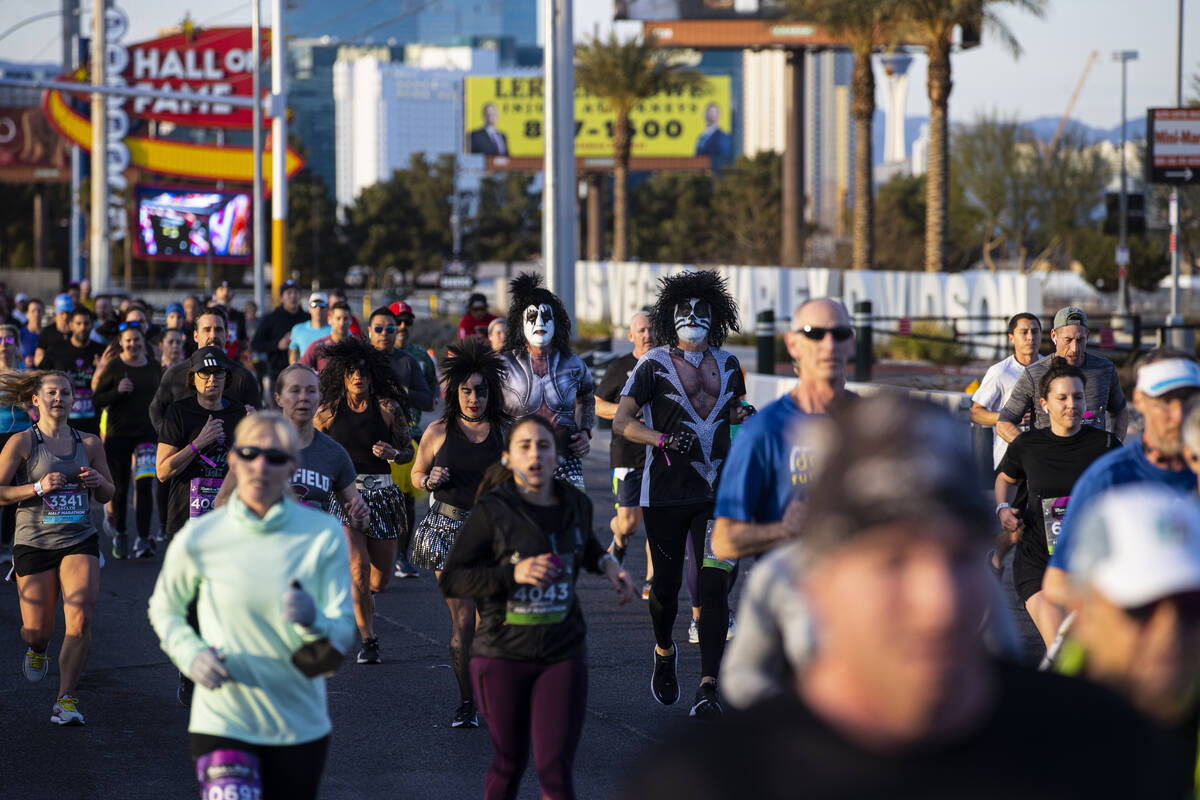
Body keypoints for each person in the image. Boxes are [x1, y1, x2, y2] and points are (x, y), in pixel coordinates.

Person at [620, 394, 1176, 800]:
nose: (940, 603)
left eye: (960, 556)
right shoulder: (707, 782)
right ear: (818, 582)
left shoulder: (1106, 753)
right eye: (894, 562)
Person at [148, 412, 355, 800]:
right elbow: (165, 608)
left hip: (298, 722)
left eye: (275, 457)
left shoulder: (322, 534)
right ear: (233, 460)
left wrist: (313, 621)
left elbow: (344, 627)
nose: (261, 465)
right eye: (249, 453)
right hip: (224, 718)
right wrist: (190, 654)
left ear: (292, 466)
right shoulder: (204, 535)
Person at [440, 414, 634, 800]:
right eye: (524, 446)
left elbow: (585, 545)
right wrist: (515, 573)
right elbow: (453, 578)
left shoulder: (575, 503)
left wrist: (608, 565)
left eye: (544, 446)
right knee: (509, 764)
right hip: (501, 653)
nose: (535, 454)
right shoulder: (492, 511)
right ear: (509, 457)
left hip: (562, 651)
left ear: (556, 456)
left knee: (554, 769)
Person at [613, 269, 749, 719]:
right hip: (666, 492)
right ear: (672, 318)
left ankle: (709, 685)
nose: (693, 317)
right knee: (667, 592)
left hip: (718, 492)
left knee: (714, 587)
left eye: (701, 310)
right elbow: (622, 422)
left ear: (716, 318)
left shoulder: (729, 365)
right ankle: (664, 650)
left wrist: (741, 414)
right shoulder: (651, 363)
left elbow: (733, 412)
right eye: (684, 311)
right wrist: (661, 440)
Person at [1054, 485, 1200, 797]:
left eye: (1191, 605)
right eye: (1139, 607)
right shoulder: (1016, 753)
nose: (1169, 631)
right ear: (1081, 610)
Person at [0, 370, 114, 726]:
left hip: (79, 538)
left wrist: (99, 483)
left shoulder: (90, 443)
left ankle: (66, 699)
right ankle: (37, 649)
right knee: (38, 630)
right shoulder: (22, 442)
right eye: (51, 392)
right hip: (34, 541)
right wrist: (36, 488)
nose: (59, 398)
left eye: (65, 392)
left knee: (80, 618)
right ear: (36, 399)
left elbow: (110, 492)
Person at [1043, 350, 1200, 607]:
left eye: (1189, 400)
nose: (1179, 415)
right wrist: (1129, 611)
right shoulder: (1110, 477)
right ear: (1140, 400)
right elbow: (1058, 582)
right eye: (1165, 402)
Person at [410, 340, 508, 728]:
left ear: (490, 393)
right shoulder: (437, 431)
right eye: (466, 390)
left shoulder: (505, 432)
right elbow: (418, 474)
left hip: (492, 531)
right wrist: (428, 478)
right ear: (455, 392)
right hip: (446, 529)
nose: (473, 398)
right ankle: (467, 703)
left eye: (480, 391)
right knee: (463, 619)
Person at [993, 359, 1118, 648]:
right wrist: (1002, 509)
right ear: (1045, 403)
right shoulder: (1027, 445)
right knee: (1061, 646)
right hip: (1038, 563)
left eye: (1077, 396)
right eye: (1061, 398)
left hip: (1090, 566)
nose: (1070, 404)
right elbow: (1005, 479)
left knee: (1093, 652)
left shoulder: (1105, 445)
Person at [314, 337, 414, 665]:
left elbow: (408, 451)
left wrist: (394, 453)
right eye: (352, 372)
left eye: (364, 372)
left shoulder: (388, 409)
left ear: (372, 376)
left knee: (379, 580)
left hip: (383, 494)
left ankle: (362, 597)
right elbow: (306, 442)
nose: (358, 377)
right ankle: (369, 639)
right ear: (342, 376)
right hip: (345, 495)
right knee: (357, 568)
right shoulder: (327, 412)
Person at [498, 273, 594, 491]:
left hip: (566, 463)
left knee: (570, 521)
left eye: (546, 317)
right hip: (517, 464)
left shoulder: (574, 364)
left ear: (556, 322)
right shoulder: (503, 365)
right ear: (520, 324)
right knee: (522, 523)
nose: (539, 323)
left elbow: (587, 398)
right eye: (532, 317)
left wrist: (585, 432)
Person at [365, 305, 436, 578]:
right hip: (366, 440)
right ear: (369, 331)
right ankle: (367, 558)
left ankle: (402, 558)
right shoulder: (360, 361)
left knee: (405, 500)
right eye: (379, 329)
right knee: (364, 498)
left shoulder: (407, 362)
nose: (385, 334)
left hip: (403, 439)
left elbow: (428, 400)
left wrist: (402, 392)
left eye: (391, 329)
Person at [997, 306, 1128, 445]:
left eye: (1080, 340)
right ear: (1054, 336)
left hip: (1092, 462)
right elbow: (1004, 422)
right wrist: (1030, 451)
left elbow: (1120, 411)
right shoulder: (1034, 373)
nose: (1074, 348)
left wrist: (1114, 445)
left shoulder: (1104, 369)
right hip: (1049, 462)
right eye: (1068, 340)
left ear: (1087, 337)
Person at [594, 311, 656, 599]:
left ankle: (652, 579)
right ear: (631, 336)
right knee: (630, 522)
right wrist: (626, 414)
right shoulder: (620, 367)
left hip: (659, 452)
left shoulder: (667, 365)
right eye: (641, 330)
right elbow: (595, 404)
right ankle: (618, 538)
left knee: (657, 519)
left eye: (652, 329)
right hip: (626, 454)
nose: (647, 335)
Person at [93, 321, 161, 559]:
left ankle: (143, 539)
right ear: (121, 343)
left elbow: (162, 399)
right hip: (118, 435)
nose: (133, 344)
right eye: (128, 340)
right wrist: (117, 392)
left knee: (143, 485)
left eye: (137, 340)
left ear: (143, 341)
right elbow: (97, 400)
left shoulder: (154, 367)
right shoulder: (113, 367)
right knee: (120, 488)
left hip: (146, 435)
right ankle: (121, 533)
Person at [148, 306, 261, 435]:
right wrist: (170, 438)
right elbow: (156, 410)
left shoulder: (243, 377)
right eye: (207, 330)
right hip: (185, 451)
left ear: (227, 335)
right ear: (196, 336)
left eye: (218, 330)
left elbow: (258, 417)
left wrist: (253, 419)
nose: (213, 336)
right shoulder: (175, 374)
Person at [971, 312, 1043, 469]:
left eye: (1035, 331)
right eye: (1024, 332)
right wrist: (1011, 417)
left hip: (1043, 454)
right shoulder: (1000, 372)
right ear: (1011, 338)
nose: (1030, 337)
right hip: (1009, 456)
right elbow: (975, 413)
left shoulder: (1051, 368)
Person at [38, 307, 105, 435]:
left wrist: (102, 367)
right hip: (62, 420)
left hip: (92, 421)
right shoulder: (55, 350)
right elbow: (40, 379)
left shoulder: (100, 351)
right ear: (70, 325)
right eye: (78, 323)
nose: (83, 327)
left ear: (92, 325)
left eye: (86, 323)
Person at [0, 323, 31, 570]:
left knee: (14, 492)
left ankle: (6, 543)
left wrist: (27, 404)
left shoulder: (25, 375)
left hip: (19, 437)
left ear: (16, 345)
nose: (3, 345)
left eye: (9, 340)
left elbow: (36, 408)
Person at [387, 300, 438, 420]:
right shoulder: (380, 353)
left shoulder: (421, 355)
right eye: (398, 321)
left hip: (413, 427)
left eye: (407, 321)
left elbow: (433, 383)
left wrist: (434, 399)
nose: (403, 326)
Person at [251, 281, 308, 381]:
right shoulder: (271, 319)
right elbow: (256, 344)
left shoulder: (307, 318)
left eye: (296, 292)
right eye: (289, 293)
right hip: (277, 373)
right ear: (281, 298)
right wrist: (277, 345)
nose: (293, 296)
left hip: (305, 372)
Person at [299, 301, 355, 373]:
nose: (342, 323)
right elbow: (300, 370)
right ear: (329, 319)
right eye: (338, 318)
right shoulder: (318, 346)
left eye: (345, 318)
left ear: (350, 320)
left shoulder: (357, 347)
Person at [289, 293, 331, 365]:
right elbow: (293, 353)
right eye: (314, 305)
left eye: (322, 306)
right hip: (305, 374)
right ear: (309, 308)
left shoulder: (336, 330)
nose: (318, 309)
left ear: (328, 308)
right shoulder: (298, 329)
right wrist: (295, 370)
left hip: (329, 375)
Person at [211, 280, 247, 361]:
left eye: (228, 289)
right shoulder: (209, 314)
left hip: (233, 359)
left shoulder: (239, 315)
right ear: (215, 293)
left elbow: (243, 339)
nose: (225, 292)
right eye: (221, 289)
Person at [33, 293, 73, 365]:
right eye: (62, 313)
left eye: (68, 313)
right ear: (56, 312)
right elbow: (37, 361)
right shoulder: (47, 332)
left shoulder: (76, 332)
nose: (65, 317)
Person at [694, 102, 731, 170]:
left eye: (712, 113)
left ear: (718, 116)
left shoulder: (723, 137)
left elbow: (725, 158)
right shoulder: (701, 137)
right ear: (704, 115)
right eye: (708, 113)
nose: (710, 116)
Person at [20, 298, 43, 368]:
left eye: (39, 311)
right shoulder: (19, 334)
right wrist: (23, 363)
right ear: (27, 314)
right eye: (33, 311)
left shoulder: (49, 334)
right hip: (24, 376)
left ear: (43, 313)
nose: (37, 314)